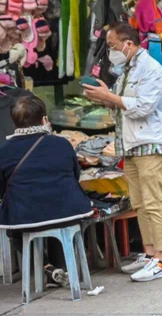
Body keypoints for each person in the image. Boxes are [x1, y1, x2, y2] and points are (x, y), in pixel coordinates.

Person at [82, 22, 162, 282]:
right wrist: (104, 97)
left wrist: (110, 97)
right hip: (133, 145)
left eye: (112, 45)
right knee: (140, 203)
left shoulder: (150, 69)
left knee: (154, 202)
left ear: (128, 43)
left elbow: (143, 107)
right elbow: (122, 105)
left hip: (152, 144)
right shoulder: (126, 71)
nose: (110, 51)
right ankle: (149, 254)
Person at [0, 94, 93, 230]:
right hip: (70, 213)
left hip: (23, 218)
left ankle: (24, 245)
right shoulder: (62, 143)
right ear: (44, 120)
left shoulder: (4, 149)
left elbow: (2, 187)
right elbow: (75, 175)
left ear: (15, 122)